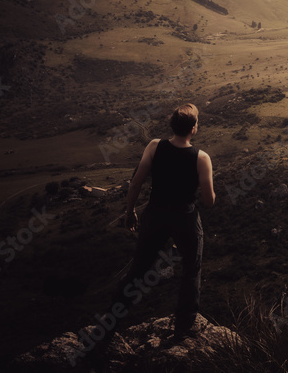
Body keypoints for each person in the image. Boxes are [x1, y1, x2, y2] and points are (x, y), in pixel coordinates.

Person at [91, 103, 215, 359]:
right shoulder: (201, 158)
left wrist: (129, 212)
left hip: (155, 215)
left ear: (172, 126)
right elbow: (209, 200)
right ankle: (182, 329)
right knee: (191, 270)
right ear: (194, 129)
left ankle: (108, 327)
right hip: (185, 218)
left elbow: (136, 182)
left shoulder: (154, 146)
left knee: (137, 271)